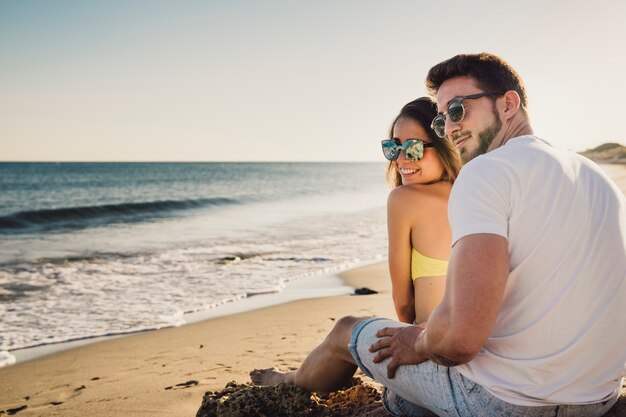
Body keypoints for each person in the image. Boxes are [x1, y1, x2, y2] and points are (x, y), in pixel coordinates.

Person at [251, 53, 626, 417]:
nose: (449, 127)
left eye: (459, 110)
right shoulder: (597, 177)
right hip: (598, 397)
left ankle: (293, 385)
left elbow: (460, 341)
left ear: (509, 103)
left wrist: (419, 340)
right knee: (406, 393)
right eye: (442, 118)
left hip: (507, 402)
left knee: (350, 330)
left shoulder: (486, 173)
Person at [382, 98, 461, 325]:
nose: (401, 159)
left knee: (344, 332)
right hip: (480, 344)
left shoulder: (403, 200)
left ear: (445, 146)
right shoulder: (477, 193)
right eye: (393, 148)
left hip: (431, 345)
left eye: (414, 148)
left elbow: (403, 304)